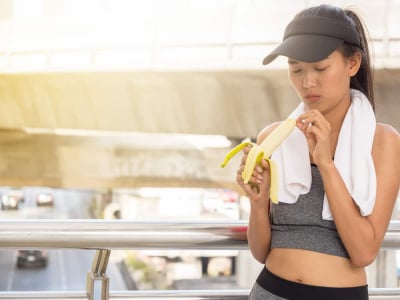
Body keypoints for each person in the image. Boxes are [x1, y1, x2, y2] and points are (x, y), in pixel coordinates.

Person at [236, 4, 400, 300]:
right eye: (295, 69)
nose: (307, 82)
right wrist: (258, 203)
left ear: (353, 64)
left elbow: (363, 252)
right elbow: (261, 252)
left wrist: (326, 163)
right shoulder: (273, 137)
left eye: (320, 68)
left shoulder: (383, 142)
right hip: (269, 291)